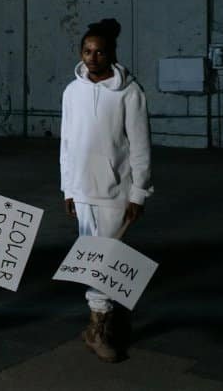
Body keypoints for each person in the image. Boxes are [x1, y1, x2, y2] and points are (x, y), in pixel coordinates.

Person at [60, 18, 152, 363]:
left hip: (116, 190)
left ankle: (99, 326)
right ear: (81, 53)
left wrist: (138, 192)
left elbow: (140, 146)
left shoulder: (130, 92)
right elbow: (67, 144)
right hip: (82, 191)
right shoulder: (72, 92)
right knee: (93, 261)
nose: (93, 57)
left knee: (105, 259)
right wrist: (67, 188)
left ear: (111, 54)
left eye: (99, 52)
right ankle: (100, 325)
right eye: (87, 51)